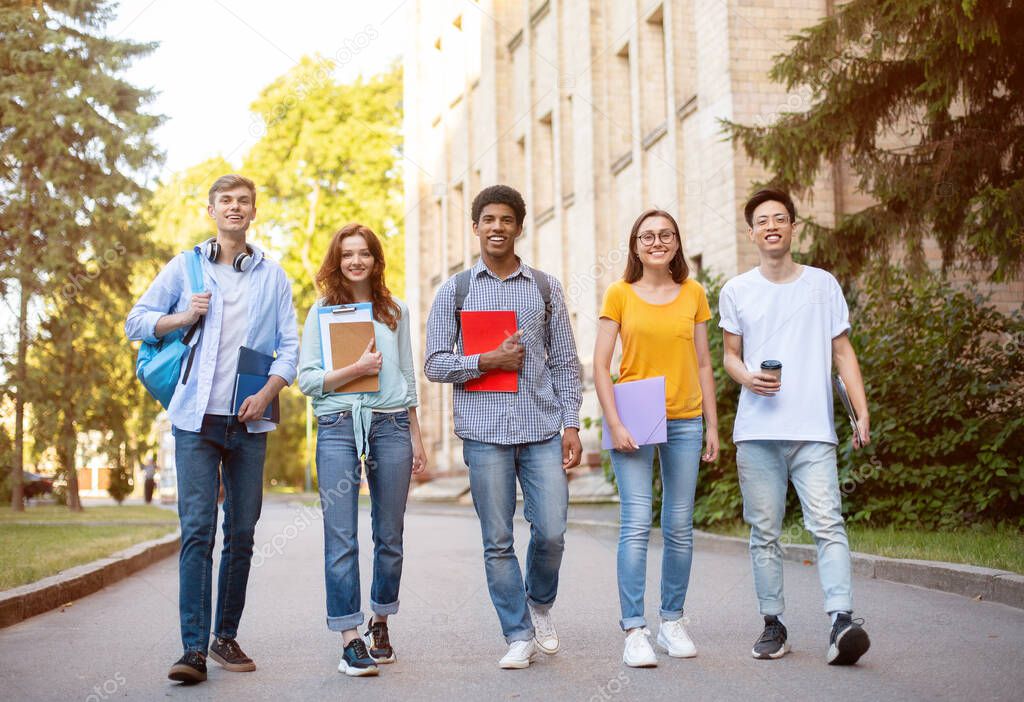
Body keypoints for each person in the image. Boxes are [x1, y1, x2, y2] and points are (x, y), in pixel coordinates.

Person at [125, 174, 299, 684]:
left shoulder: (273, 276)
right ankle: (193, 650)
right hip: (195, 422)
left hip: (250, 422)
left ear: (253, 212)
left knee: (241, 533)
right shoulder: (186, 267)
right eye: (227, 201)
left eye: (244, 201)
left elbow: (288, 346)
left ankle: (226, 636)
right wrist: (181, 316)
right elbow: (136, 320)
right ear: (212, 211)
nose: (236, 208)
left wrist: (268, 391)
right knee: (198, 532)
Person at [424, 184, 583, 669]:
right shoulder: (455, 290)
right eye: (488, 219)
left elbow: (565, 361)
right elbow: (433, 363)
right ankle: (517, 633)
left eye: (506, 219)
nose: (497, 227)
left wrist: (571, 423)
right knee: (497, 539)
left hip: (539, 430)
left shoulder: (545, 286)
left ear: (519, 226)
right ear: (475, 227)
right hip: (484, 432)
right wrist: (484, 360)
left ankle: (538, 606)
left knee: (552, 530)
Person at [719, 188, 871, 665]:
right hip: (757, 434)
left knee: (828, 524)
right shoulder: (736, 289)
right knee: (764, 532)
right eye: (762, 220)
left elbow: (842, 351)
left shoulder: (822, 284)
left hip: (813, 432)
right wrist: (748, 377)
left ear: (792, 227)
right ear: (751, 233)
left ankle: (842, 621)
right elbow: (729, 355)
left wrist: (860, 411)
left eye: (780, 218)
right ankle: (773, 624)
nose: (771, 226)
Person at [298, 223, 427, 677]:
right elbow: (307, 379)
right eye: (347, 253)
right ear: (337, 261)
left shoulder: (395, 311)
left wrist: (416, 435)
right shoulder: (322, 312)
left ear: (375, 260)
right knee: (341, 536)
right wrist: (356, 368)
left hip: (391, 424)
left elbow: (408, 376)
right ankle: (350, 638)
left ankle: (380, 621)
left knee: (389, 535)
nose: (356, 261)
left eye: (364, 253)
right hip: (337, 426)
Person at [594, 209, 719, 668]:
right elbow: (601, 365)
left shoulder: (694, 294)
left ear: (677, 243)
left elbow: (705, 362)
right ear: (635, 245)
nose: (657, 241)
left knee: (680, 525)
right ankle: (634, 629)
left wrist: (712, 424)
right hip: (635, 414)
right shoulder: (620, 294)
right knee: (636, 521)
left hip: (686, 417)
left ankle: (671, 621)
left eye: (666, 235)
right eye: (647, 236)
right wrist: (616, 422)